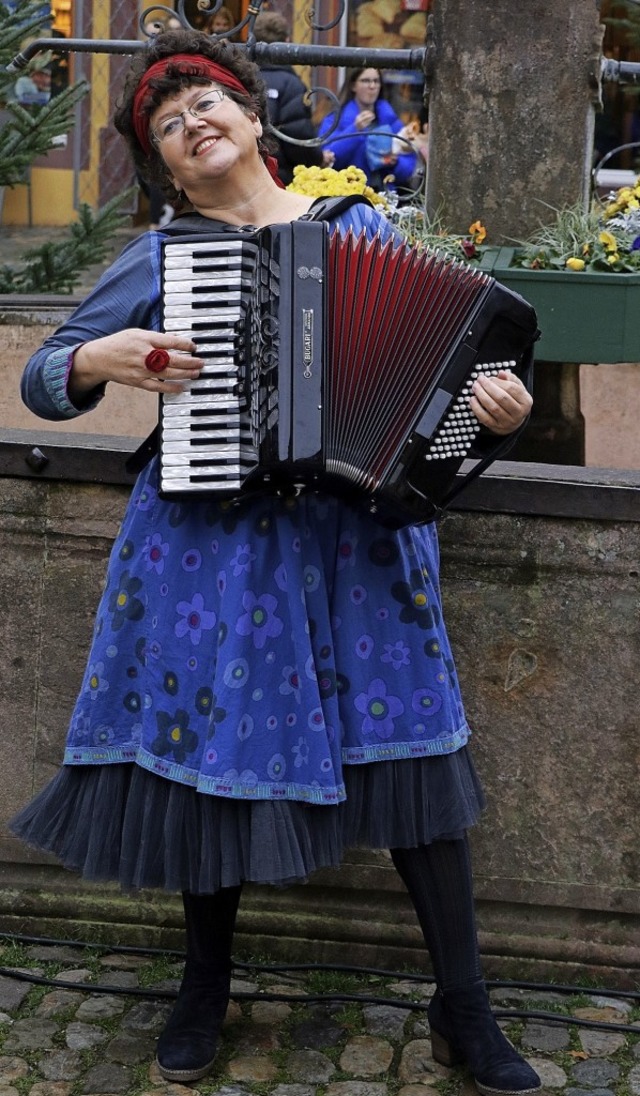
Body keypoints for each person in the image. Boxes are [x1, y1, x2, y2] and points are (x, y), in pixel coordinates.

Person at [10, 28, 540, 1096]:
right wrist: (98, 358)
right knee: (216, 757)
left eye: (206, 102)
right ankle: (203, 986)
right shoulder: (159, 258)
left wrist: (499, 413)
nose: (193, 123)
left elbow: (453, 384)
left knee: (411, 757)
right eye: (167, 123)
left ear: (253, 118)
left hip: (361, 539)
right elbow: (41, 377)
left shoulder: (360, 225)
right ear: (163, 165)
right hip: (214, 544)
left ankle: (462, 1006)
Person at [252, 10, 328, 185]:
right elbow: (297, 135)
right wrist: (317, 159)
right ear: (286, 42)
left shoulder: (241, 78)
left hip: (243, 174)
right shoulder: (291, 84)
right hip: (278, 177)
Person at [318, 66, 417, 191]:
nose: (372, 86)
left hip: (384, 197)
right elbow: (327, 159)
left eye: (376, 81)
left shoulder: (392, 121)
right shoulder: (334, 120)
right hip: (346, 194)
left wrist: (396, 162)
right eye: (366, 81)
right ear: (353, 86)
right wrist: (355, 130)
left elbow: (408, 169)